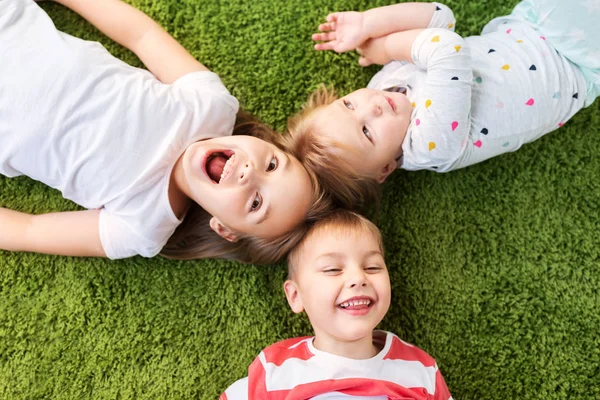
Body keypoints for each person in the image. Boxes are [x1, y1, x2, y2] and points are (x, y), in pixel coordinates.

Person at [0, 0, 332, 264]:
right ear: (262, 142)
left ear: (225, 228)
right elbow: (141, 36)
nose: (249, 174)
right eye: (272, 165)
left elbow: (31, 230)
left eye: (257, 203)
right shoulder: (211, 106)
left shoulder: (141, 227)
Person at [283, 0, 600, 194]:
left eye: (349, 104)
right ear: (386, 168)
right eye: (366, 132)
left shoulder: (386, 85)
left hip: (528, 23)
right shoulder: (428, 145)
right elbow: (448, 47)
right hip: (576, 63)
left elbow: (440, 18)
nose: (372, 106)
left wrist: (370, 22)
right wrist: (385, 47)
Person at [221, 210, 453, 399]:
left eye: (372, 267)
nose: (358, 278)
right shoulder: (275, 369)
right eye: (333, 269)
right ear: (295, 296)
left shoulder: (419, 369)